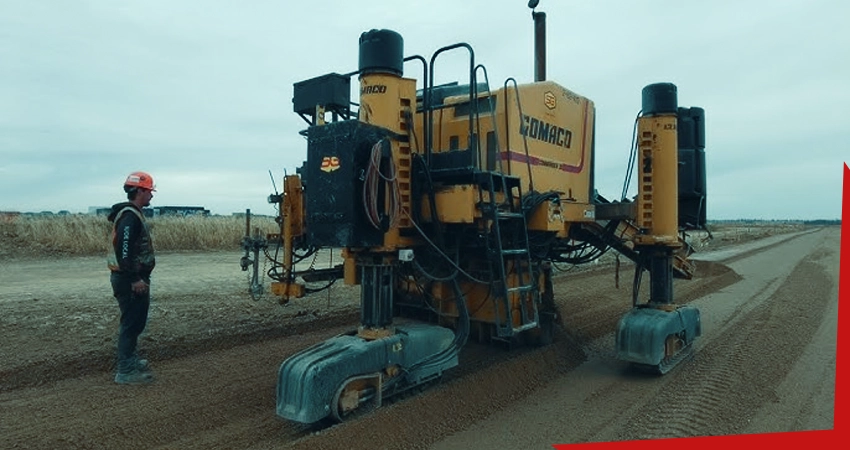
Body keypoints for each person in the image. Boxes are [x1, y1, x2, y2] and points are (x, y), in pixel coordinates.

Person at [107, 171, 157, 384]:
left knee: (136, 322)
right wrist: (136, 278)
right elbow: (124, 251)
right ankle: (125, 370)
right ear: (138, 191)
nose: (151, 196)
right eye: (148, 192)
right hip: (130, 280)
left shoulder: (132, 214)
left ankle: (130, 359)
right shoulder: (130, 216)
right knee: (131, 322)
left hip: (130, 277)